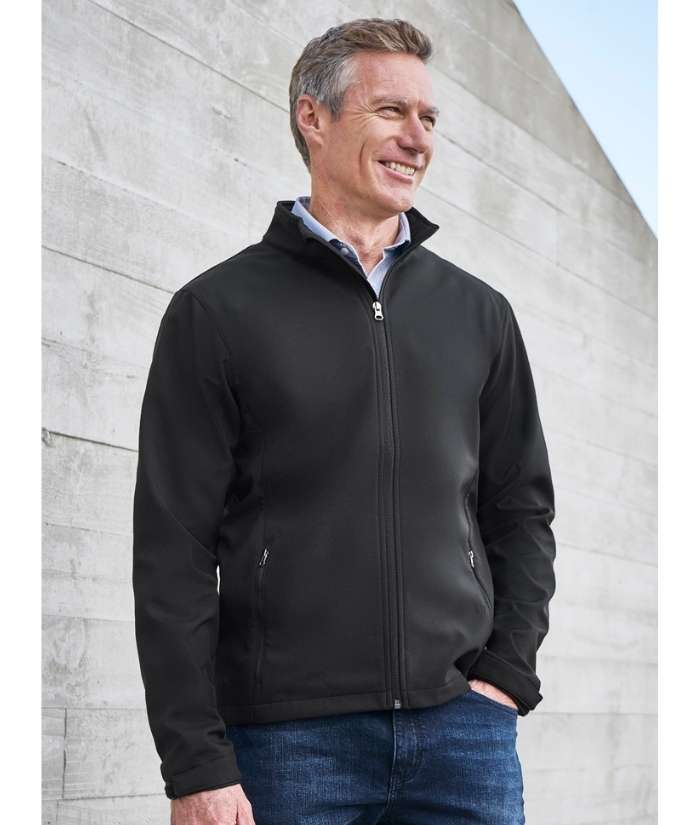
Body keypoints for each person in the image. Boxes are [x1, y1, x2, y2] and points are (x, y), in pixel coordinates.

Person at [132, 17, 557, 825]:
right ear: (313, 117)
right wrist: (194, 762)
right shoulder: (216, 311)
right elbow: (172, 550)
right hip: (287, 745)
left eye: (428, 118)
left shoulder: (479, 314)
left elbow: (521, 510)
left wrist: (505, 674)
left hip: (463, 735)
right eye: (391, 110)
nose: (416, 138)